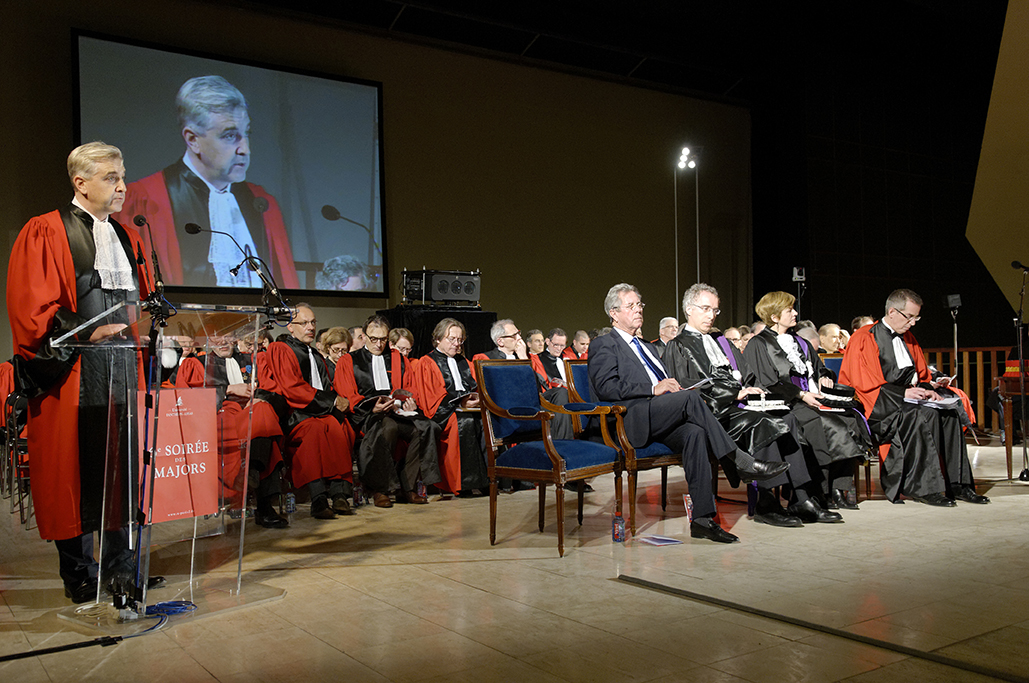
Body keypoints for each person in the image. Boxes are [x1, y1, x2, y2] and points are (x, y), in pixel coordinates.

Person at [7, 142, 157, 602]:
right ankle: (79, 575)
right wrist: (87, 332)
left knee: (120, 468)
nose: (122, 186)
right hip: (72, 372)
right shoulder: (46, 230)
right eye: (112, 177)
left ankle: (120, 569)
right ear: (81, 182)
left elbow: (142, 301)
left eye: (123, 176)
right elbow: (32, 307)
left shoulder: (128, 238)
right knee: (73, 474)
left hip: (122, 368)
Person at [587, 283, 790, 543]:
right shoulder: (604, 344)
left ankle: (703, 520)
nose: (638, 310)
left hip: (659, 414)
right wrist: (653, 388)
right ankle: (739, 461)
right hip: (630, 419)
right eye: (631, 306)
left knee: (694, 433)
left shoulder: (647, 347)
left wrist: (673, 388)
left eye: (640, 304)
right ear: (613, 313)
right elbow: (606, 387)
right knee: (692, 399)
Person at [664, 284, 839, 526]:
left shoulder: (720, 341)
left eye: (715, 310)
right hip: (713, 412)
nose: (711, 315)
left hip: (740, 404)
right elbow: (687, 388)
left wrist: (755, 392)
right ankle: (766, 503)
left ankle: (800, 497)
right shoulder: (678, 345)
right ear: (688, 309)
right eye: (705, 309)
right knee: (763, 422)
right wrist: (734, 394)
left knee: (788, 418)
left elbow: (747, 375)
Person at [114, 76, 299, 289]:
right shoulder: (145, 201)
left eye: (246, 133)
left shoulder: (262, 203)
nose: (245, 149)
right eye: (230, 135)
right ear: (192, 140)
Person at [839, 289, 988, 506]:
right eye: (909, 317)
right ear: (892, 312)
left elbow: (922, 374)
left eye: (916, 318)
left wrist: (928, 389)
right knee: (924, 414)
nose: (913, 323)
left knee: (950, 412)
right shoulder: (864, 337)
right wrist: (903, 393)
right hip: (879, 405)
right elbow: (862, 381)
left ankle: (957, 484)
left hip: (908, 399)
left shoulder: (908, 337)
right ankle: (924, 488)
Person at [744, 292, 871, 512]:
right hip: (786, 402)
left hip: (812, 398)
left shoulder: (800, 342)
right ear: (774, 317)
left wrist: (824, 377)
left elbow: (820, 368)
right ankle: (817, 493)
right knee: (826, 425)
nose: (795, 313)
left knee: (850, 421)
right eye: (789, 310)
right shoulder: (759, 344)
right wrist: (801, 395)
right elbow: (767, 382)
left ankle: (838, 488)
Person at [176, 335, 288, 528]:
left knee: (263, 412)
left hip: (253, 414)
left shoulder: (253, 360)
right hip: (221, 417)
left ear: (235, 337)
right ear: (208, 339)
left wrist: (258, 397)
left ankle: (252, 470)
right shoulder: (197, 364)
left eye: (227, 336)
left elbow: (274, 392)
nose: (222, 341)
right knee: (265, 435)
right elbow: (186, 400)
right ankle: (264, 505)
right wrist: (227, 389)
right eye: (216, 337)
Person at [259, 304, 356, 519]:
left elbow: (326, 386)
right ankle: (318, 498)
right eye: (304, 323)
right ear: (290, 326)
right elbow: (292, 388)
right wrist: (332, 401)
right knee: (314, 430)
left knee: (340, 427)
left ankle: (339, 495)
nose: (310, 327)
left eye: (313, 322)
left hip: (320, 410)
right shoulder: (281, 349)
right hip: (296, 414)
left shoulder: (315, 354)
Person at [335, 316, 441, 507]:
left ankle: (408, 487)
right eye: (373, 339)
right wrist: (372, 407)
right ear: (364, 336)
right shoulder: (349, 360)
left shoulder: (397, 358)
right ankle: (380, 489)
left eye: (383, 339)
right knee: (388, 427)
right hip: (367, 414)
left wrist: (408, 402)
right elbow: (347, 394)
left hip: (397, 412)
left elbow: (410, 387)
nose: (378, 344)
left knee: (427, 427)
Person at [414, 318, 487, 495]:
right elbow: (432, 397)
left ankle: (486, 480)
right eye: (452, 339)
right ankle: (464, 484)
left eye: (460, 340)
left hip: (468, 408)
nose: (457, 344)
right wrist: (460, 402)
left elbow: (476, 386)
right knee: (465, 421)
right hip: (445, 413)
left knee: (486, 421)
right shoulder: (427, 362)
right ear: (438, 339)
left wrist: (476, 398)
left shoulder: (464, 362)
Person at [471, 319, 573, 441]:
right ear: (500, 341)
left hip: (532, 402)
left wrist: (523, 358)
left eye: (518, 333)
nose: (519, 338)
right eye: (514, 335)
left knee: (561, 393)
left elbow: (536, 387)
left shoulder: (527, 357)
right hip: (507, 406)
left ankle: (562, 444)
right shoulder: (485, 359)